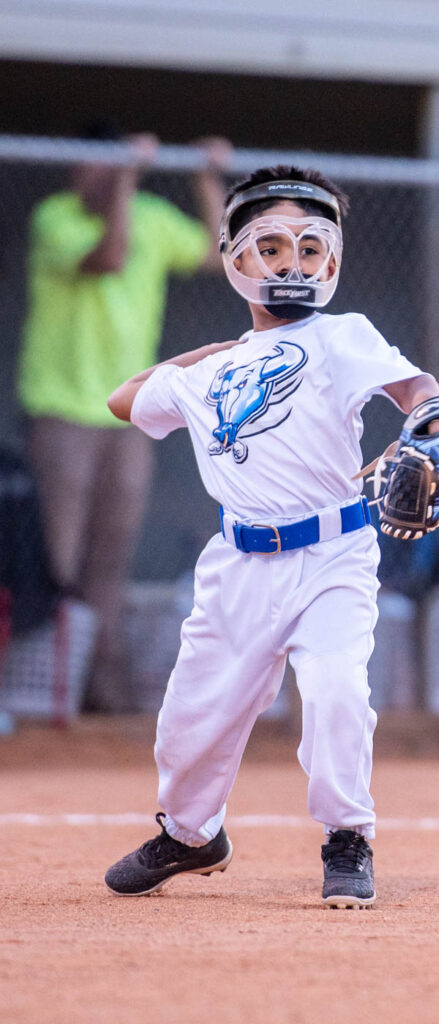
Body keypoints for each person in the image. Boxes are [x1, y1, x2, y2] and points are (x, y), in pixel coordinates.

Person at [103, 164, 439, 908]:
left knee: (335, 690)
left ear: (330, 262)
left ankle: (347, 837)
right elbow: (122, 399)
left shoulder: (339, 335)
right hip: (236, 565)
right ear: (233, 256)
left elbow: (414, 389)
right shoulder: (210, 373)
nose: (291, 264)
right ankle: (191, 835)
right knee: (191, 719)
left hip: (333, 553)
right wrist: (209, 353)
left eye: (309, 248)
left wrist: (434, 419)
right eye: (269, 248)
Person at [17, 123, 232, 710]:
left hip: (129, 414)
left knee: (110, 559)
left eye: (109, 165)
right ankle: (46, 692)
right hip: (62, 410)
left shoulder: (151, 218)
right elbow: (109, 259)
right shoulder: (56, 219)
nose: (101, 176)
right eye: (93, 165)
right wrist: (127, 177)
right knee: (57, 557)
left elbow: (221, 254)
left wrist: (205, 179)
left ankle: (101, 694)